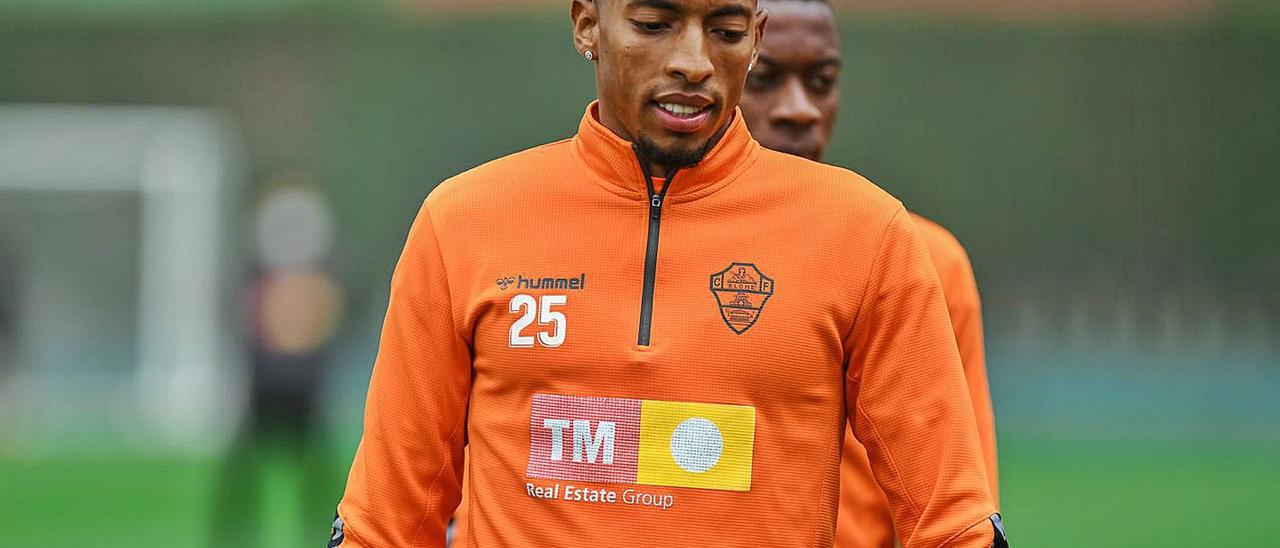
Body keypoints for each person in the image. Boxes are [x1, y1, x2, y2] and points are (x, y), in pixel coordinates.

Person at [330, 1, 1004, 546]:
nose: (692, 62)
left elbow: (953, 526)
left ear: (756, 37)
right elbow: (384, 526)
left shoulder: (867, 233)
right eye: (654, 24)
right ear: (586, 22)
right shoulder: (463, 223)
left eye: (727, 30)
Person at [735, 1, 1000, 546]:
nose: (799, 109)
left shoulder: (920, 258)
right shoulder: (654, 247)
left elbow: (959, 508)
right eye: (763, 79)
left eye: (822, 81)